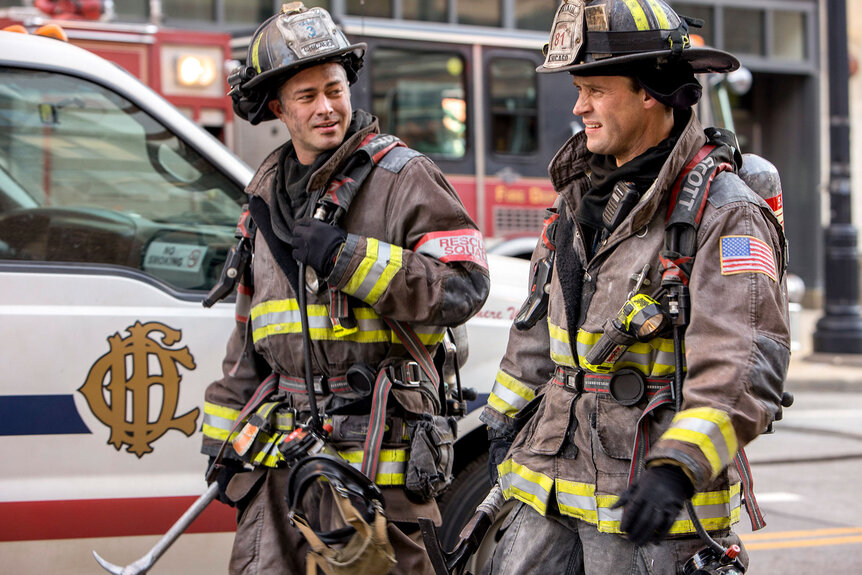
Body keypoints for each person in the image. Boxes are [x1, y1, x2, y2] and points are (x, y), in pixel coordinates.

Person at [479, 0, 790, 573]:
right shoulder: (576, 201)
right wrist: (498, 423)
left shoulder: (724, 214)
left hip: (650, 514)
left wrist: (676, 467)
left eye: (595, 89)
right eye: (579, 89)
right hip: (544, 492)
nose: (579, 107)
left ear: (652, 89)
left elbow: (744, 366)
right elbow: (536, 333)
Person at [200, 4, 490, 574]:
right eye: (306, 97)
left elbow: (465, 288)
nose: (327, 108)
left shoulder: (403, 178)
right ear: (279, 108)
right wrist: (222, 440)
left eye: (334, 89)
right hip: (281, 466)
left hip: (378, 468)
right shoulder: (263, 202)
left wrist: (346, 258)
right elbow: (248, 338)